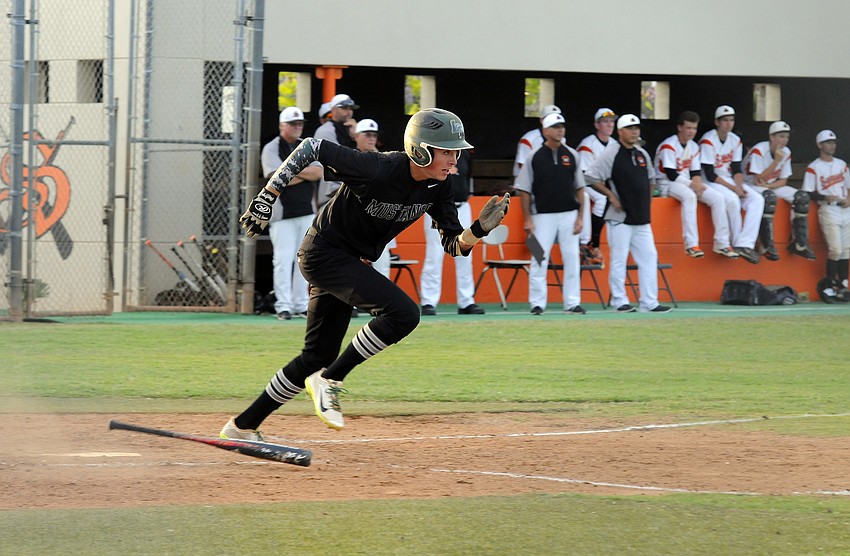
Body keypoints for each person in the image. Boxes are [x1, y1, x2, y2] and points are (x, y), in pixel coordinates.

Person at [222, 108, 510, 438]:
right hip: (323, 254)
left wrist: (478, 230)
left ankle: (243, 425)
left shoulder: (440, 186)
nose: (454, 160)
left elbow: (453, 245)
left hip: (349, 262)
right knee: (403, 314)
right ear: (420, 149)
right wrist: (267, 196)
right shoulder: (379, 167)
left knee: (316, 355)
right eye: (447, 151)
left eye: (455, 151)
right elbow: (311, 148)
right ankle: (331, 378)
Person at [585, 114, 671, 313]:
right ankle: (619, 301)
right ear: (620, 131)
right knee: (619, 258)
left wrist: (647, 200)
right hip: (620, 218)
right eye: (630, 129)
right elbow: (590, 176)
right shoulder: (612, 153)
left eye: (636, 129)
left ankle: (649, 302)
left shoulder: (641, 153)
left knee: (649, 257)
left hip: (641, 218)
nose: (634, 132)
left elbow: (651, 178)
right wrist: (611, 196)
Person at [514, 112, 586, 315]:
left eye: (562, 126)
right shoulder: (533, 156)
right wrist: (528, 219)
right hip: (541, 216)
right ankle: (537, 303)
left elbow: (580, 187)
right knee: (538, 257)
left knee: (572, 257)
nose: (560, 129)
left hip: (569, 214)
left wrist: (580, 217)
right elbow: (524, 190)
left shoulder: (572, 154)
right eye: (555, 126)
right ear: (545, 131)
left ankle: (572, 303)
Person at [260, 106, 323, 320]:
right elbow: (275, 179)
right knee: (283, 259)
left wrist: (290, 172)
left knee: (303, 260)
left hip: (306, 212)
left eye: (300, 124)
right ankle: (283, 305)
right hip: (281, 214)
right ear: (282, 126)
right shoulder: (272, 147)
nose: (297, 127)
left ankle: (300, 304)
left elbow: (318, 172)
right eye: (293, 124)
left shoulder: (305, 146)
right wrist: (294, 174)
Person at [654, 111, 737, 259]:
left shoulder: (693, 146)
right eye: (688, 128)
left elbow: (696, 171)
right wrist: (693, 185)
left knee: (718, 198)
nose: (692, 131)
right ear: (680, 128)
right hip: (666, 183)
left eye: (694, 128)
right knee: (689, 196)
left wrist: (697, 183)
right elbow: (671, 174)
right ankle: (691, 245)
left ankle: (722, 243)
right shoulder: (669, 145)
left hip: (686, 182)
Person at [419, 149, 485, 315]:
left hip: (462, 206)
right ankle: (428, 301)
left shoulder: (465, 156)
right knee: (434, 255)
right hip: (437, 207)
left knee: (465, 255)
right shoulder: (433, 153)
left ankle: (466, 301)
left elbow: (467, 178)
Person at [698, 105, 763, 264]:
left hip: (729, 178)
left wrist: (739, 186)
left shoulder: (735, 139)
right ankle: (736, 243)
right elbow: (710, 173)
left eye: (731, 120)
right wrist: (734, 189)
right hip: (709, 180)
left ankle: (745, 244)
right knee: (733, 199)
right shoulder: (708, 139)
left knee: (757, 199)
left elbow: (736, 167)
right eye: (725, 120)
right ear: (717, 122)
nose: (728, 123)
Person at [743, 121, 815, 260]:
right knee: (769, 198)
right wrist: (776, 161)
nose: (785, 140)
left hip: (768, 185)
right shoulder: (760, 149)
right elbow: (758, 179)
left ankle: (799, 243)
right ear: (772, 137)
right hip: (749, 184)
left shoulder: (786, 152)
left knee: (801, 197)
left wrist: (769, 186)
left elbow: (783, 181)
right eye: (781, 136)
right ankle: (765, 244)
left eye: (787, 137)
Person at [802, 130, 850, 298]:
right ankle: (830, 285)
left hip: (845, 207)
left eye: (834, 142)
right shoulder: (813, 167)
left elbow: (849, 185)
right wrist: (823, 196)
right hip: (828, 207)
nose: (832, 145)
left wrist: (849, 199)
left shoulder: (841, 164)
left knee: (846, 249)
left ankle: (843, 284)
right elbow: (806, 193)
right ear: (820, 145)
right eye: (828, 142)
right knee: (835, 249)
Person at [354, 118, 394, 280]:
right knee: (351, 263)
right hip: (354, 220)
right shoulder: (349, 157)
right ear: (357, 136)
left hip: (377, 221)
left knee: (382, 264)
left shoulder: (385, 160)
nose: (371, 138)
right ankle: (352, 303)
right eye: (367, 134)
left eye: (374, 135)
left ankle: (381, 305)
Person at [576, 108, 617, 266]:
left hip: (602, 183)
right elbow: (585, 174)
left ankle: (594, 243)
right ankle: (593, 242)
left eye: (612, 121)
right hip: (583, 181)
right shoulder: (588, 143)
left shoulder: (614, 144)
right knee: (602, 198)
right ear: (597, 124)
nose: (609, 125)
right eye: (605, 121)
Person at [314, 93, 359, 208]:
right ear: (333, 110)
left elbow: (371, 157)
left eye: (350, 108)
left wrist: (357, 136)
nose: (348, 112)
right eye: (344, 108)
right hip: (331, 194)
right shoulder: (324, 131)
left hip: (353, 193)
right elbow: (339, 160)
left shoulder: (354, 129)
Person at [513, 104, 563, 178]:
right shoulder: (528, 139)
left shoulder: (561, 138)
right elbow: (523, 165)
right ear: (542, 120)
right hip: (526, 181)